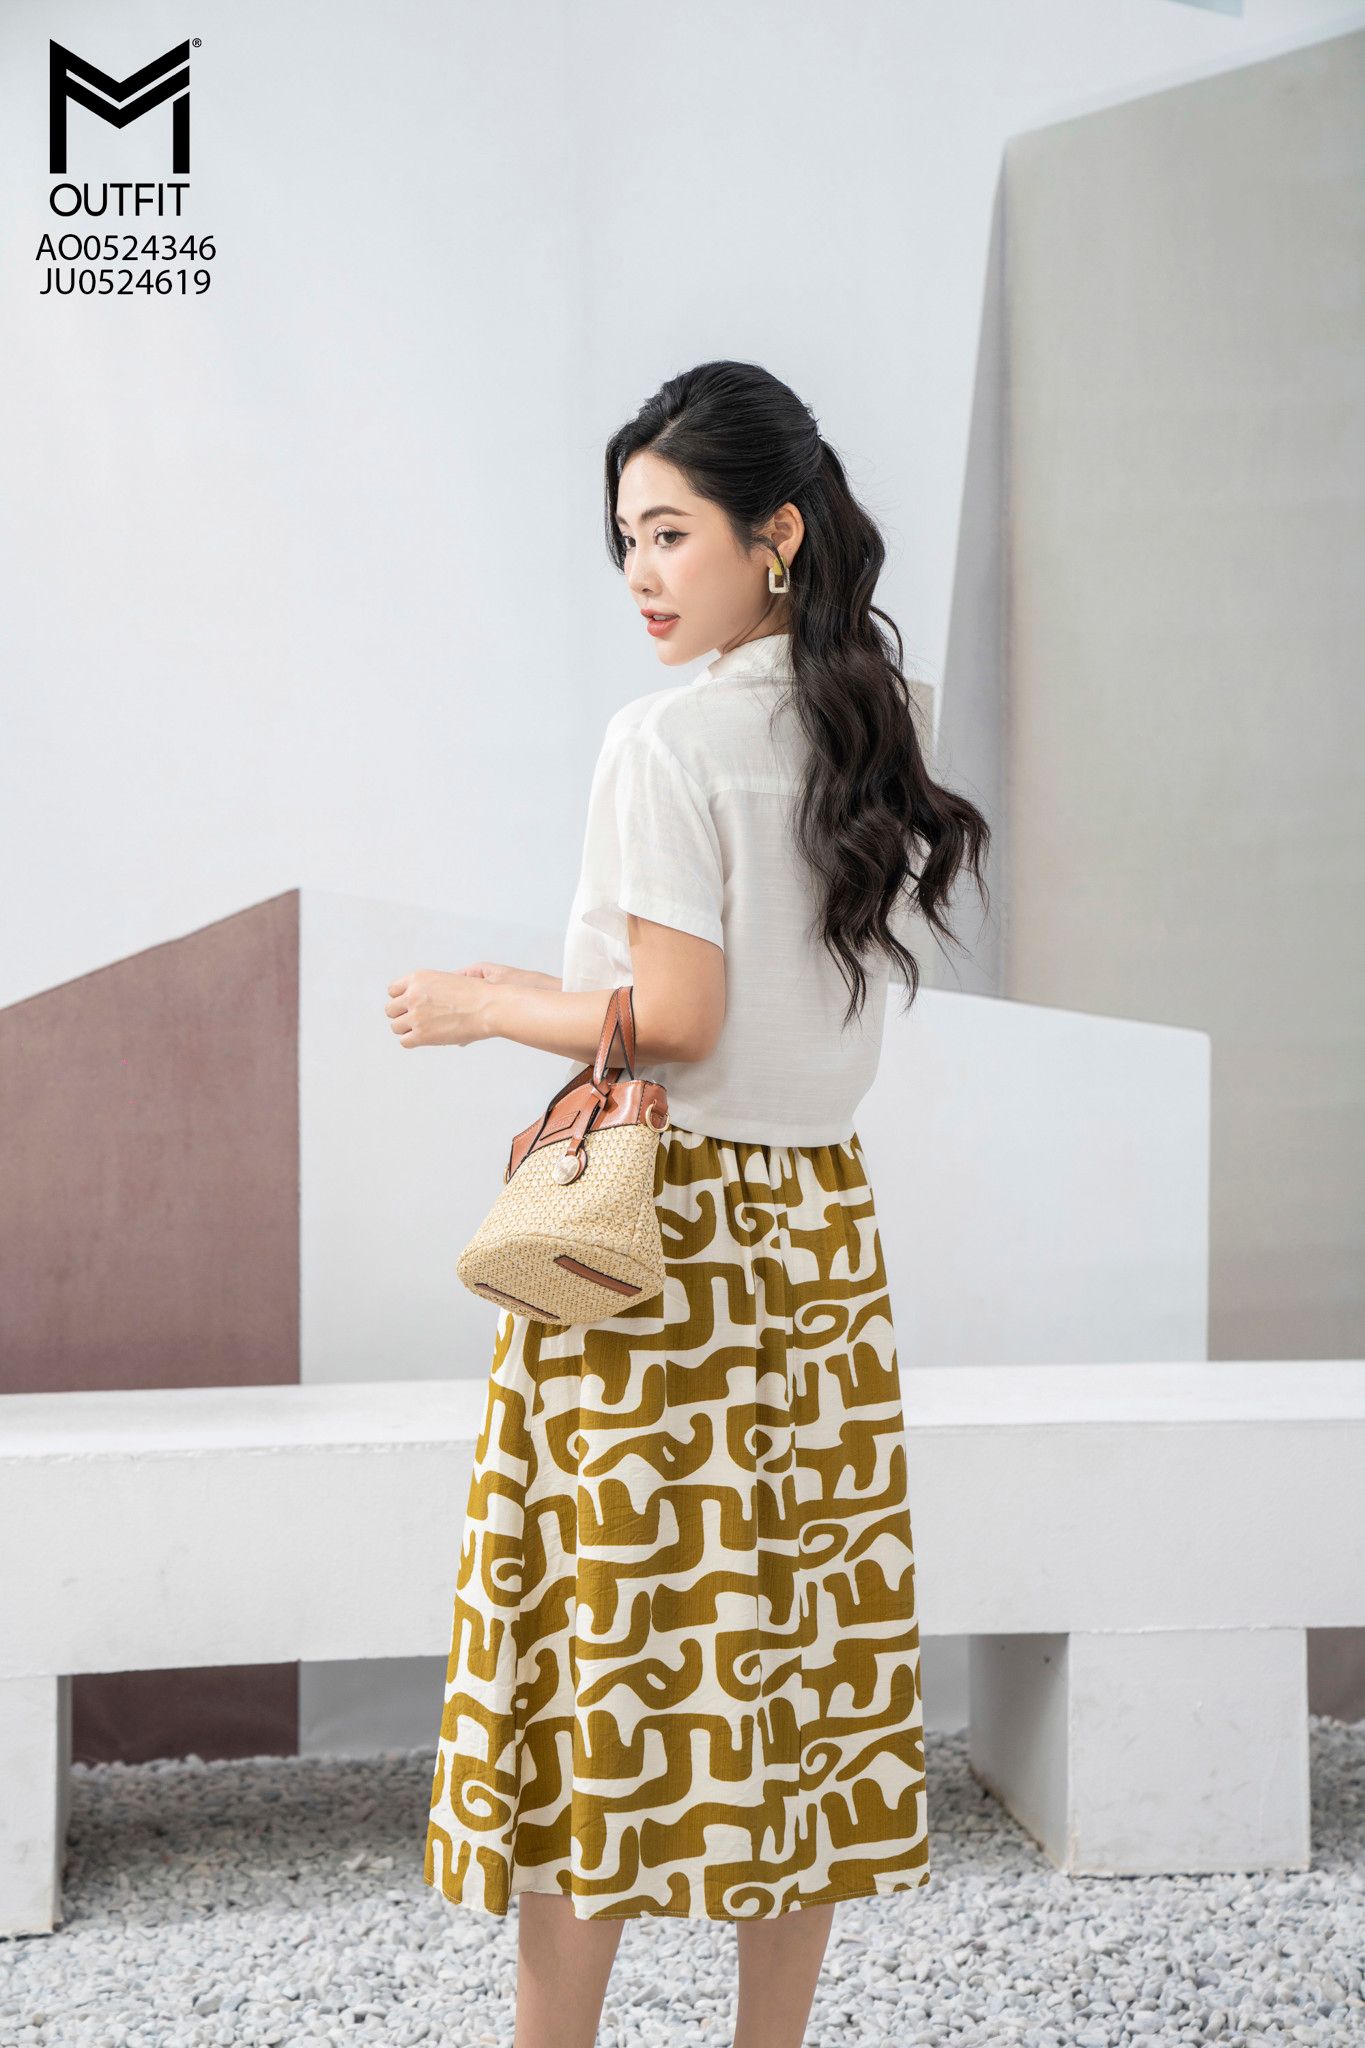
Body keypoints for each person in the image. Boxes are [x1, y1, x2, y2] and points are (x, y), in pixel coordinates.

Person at [387, 359, 990, 2048]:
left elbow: (679, 1018)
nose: (640, 574)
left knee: (602, 1679)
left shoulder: (661, 740)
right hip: (817, 1245)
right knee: (792, 1672)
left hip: (659, 1256)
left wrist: (487, 1002)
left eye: (670, 532)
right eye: (625, 540)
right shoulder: (879, 715)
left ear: (773, 533)